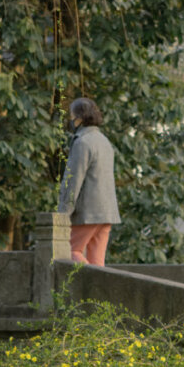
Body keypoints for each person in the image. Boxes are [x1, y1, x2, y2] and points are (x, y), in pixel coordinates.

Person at [58, 98, 120, 266]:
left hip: (88, 214)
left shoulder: (82, 142)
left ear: (79, 118)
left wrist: (62, 214)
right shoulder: (104, 141)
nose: (70, 120)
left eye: (72, 116)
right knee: (97, 263)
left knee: (69, 252)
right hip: (106, 213)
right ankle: (99, 293)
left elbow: (73, 181)